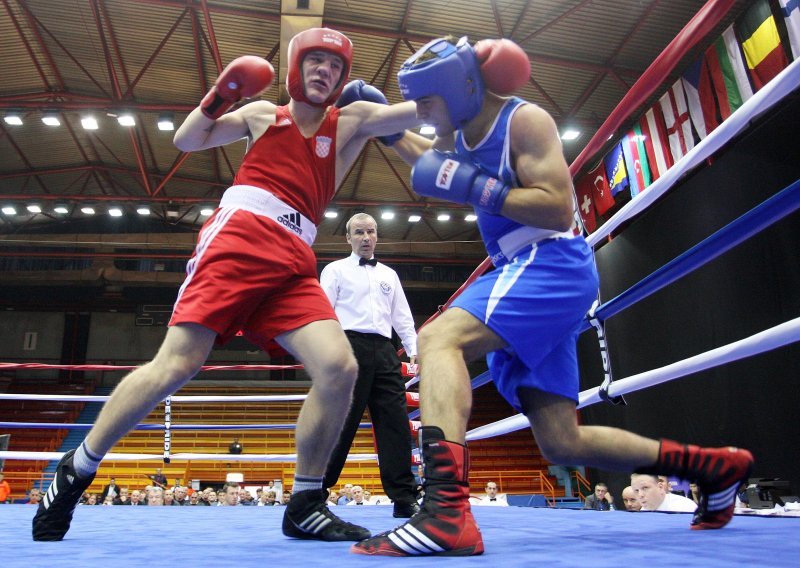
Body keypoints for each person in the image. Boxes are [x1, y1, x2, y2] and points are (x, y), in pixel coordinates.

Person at [352, 35, 754, 556]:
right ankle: (713, 467)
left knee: (438, 339)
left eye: (427, 102)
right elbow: (437, 162)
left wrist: (478, 189)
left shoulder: (525, 122)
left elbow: (557, 209)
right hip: (524, 268)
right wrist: (392, 132)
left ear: (458, 89)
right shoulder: (462, 128)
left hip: (549, 260)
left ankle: (446, 513)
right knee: (561, 440)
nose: (423, 114)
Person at [31, 26, 420, 543]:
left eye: (335, 64)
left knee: (339, 367)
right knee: (177, 364)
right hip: (238, 239)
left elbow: (426, 115)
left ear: (343, 76)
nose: (325, 70)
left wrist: (468, 84)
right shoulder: (264, 115)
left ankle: (305, 502)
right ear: (296, 67)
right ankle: (76, 469)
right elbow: (187, 139)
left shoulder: (352, 121)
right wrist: (222, 94)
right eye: (316, 60)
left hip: (294, 257)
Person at [320, 212, 420, 518]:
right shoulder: (335, 270)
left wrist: (413, 348)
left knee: (395, 424)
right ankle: (315, 492)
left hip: (385, 349)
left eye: (371, 232)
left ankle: (404, 497)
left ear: (377, 235)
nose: (366, 237)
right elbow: (323, 311)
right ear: (348, 238)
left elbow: (401, 315)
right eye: (359, 232)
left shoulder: (389, 274)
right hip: (348, 347)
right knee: (342, 422)